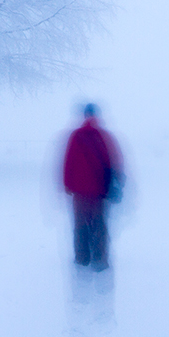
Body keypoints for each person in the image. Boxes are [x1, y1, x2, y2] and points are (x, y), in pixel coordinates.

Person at [62, 103, 124, 271]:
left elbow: (69, 161)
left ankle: (82, 258)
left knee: (80, 225)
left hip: (79, 191)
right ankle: (100, 259)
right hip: (99, 191)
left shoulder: (76, 135)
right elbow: (115, 161)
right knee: (99, 225)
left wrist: (67, 184)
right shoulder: (104, 136)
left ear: (84, 115)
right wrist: (118, 183)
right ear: (97, 115)